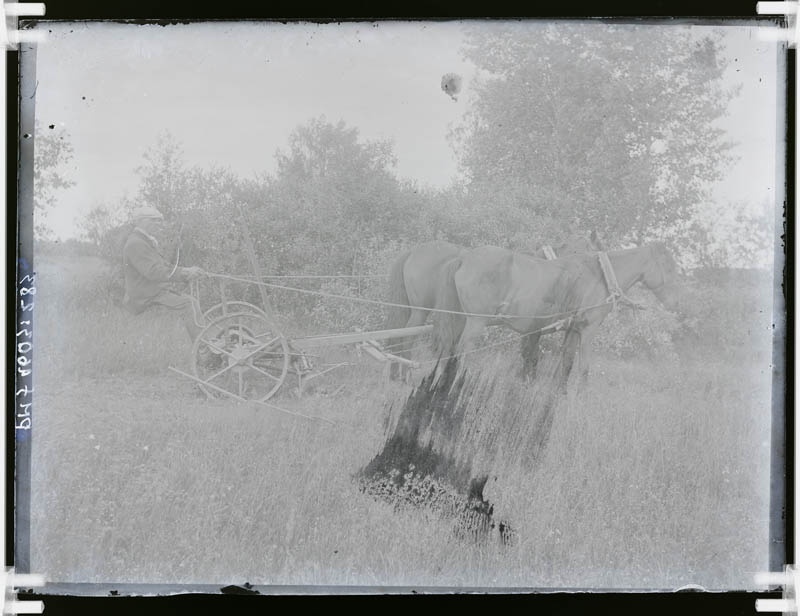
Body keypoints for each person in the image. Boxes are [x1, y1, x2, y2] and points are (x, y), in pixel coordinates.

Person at [122, 206, 207, 340]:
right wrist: (184, 273)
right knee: (189, 304)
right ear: (141, 221)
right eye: (154, 220)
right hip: (145, 295)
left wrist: (186, 271)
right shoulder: (136, 243)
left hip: (153, 291)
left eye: (159, 221)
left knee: (191, 302)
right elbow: (154, 272)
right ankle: (203, 350)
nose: (158, 224)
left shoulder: (143, 241)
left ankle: (205, 345)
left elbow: (164, 266)